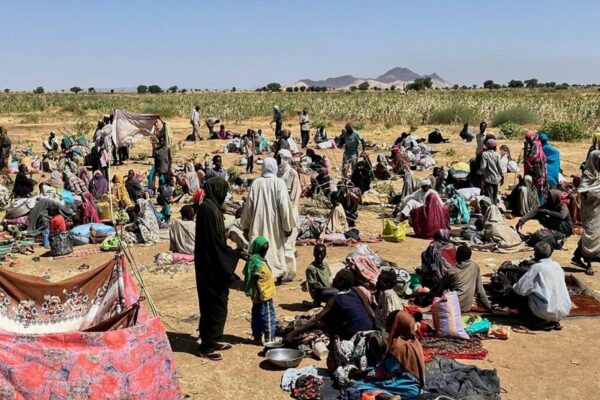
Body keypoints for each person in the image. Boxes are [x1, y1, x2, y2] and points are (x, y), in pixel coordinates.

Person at [195, 178, 240, 360]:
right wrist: (234, 254)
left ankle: (214, 339)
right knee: (211, 305)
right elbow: (213, 243)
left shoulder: (213, 207)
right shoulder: (207, 210)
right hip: (210, 265)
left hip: (214, 263)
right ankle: (206, 345)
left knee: (220, 302)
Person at [241, 157, 296, 282]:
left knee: (258, 248)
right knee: (275, 249)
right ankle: (277, 274)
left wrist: (246, 226)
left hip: (257, 225)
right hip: (275, 225)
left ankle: (257, 273)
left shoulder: (256, 183)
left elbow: (249, 207)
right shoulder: (279, 183)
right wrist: (287, 226)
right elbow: (284, 207)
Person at [350, 311, 425, 400]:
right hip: (417, 387)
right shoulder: (415, 342)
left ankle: (388, 397)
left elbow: (386, 372)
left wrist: (364, 373)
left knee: (358, 384)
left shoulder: (399, 346)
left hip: (406, 388)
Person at [285, 269, 375, 342]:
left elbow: (315, 320)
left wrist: (293, 333)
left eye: (336, 278)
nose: (333, 280)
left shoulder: (334, 299)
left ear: (342, 282)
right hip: (368, 328)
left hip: (352, 333)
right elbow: (371, 312)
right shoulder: (357, 290)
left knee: (328, 320)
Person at [513, 242, 571, 331]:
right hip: (564, 309)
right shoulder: (557, 265)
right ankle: (553, 321)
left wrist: (514, 285)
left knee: (524, 294)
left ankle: (538, 322)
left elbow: (519, 290)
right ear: (550, 253)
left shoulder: (537, 267)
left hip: (545, 310)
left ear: (535, 254)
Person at [243, 236, 277, 344]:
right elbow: (255, 278)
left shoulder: (254, 259)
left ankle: (257, 337)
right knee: (268, 317)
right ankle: (269, 340)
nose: (265, 252)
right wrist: (260, 293)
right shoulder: (257, 262)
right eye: (264, 250)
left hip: (256, 295)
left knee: (257, 316)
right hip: (264, 294)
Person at [571, 150, 600, 275]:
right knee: (590, 236)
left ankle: (577, 255)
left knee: (597, 236)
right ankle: (589, 263)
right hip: (590, 213)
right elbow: (583, 192)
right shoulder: (588, 176)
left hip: (598, 211)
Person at [441, 245, 493, 313]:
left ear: (457, 256)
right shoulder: (475, 266)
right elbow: (480, 291)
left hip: (452, 306)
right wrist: (489, 308)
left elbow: (441, 287)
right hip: (466, 307)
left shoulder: (451, 271)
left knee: (444, 291)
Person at [277, 149, 301, 280]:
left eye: (279, 158)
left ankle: (290, 272)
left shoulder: (292, 173)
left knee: (289, 243)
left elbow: (295, 193)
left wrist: (288, 211)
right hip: (279, 212)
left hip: (290, 211)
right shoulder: (276, 172)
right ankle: (281, 270)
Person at [523, 130, 548, 204]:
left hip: (536, 170)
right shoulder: (538, 143)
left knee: (535, 187)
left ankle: (536, 204)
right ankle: (539, 203)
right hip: (540, 170)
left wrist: (526, 158)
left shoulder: (534, 144)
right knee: (539, 187)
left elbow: (532, 157)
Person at [478, 139, 504, 204]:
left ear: (487, 146)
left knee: (489, 196)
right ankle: (495, 207)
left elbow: (483, 166)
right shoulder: (497, 155)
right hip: (496, 179)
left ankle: (491, 208)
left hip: (488, 179)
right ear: (494, 146)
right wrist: (502, 176)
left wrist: (478, 173)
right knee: (495, 196)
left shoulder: (485, 154)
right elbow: (500, 168)